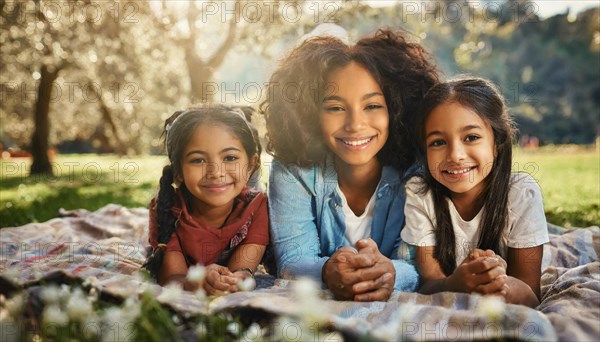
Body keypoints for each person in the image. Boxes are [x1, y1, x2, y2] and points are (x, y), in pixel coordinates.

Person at [261, 29, 439, 302]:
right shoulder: (292, 168)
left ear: (397, 109)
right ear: (310, 113)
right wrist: (327, 272)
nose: (355, 125)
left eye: (372, 106)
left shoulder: (418, 170)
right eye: (335, 108)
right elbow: (292, 259)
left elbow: (421, 264)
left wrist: (391, 272)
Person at [400, 78, 549, 307]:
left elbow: (531, 295)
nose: (455, 155)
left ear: (497, 143)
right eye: (438, 142)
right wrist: (453, 284)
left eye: (471, 137)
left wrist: (497, 281)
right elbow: (429, 284)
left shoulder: (521, 193)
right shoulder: (420, 194)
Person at [142, 104, 268, 295]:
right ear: (178, 173)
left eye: (230, 157)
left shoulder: (257, 207)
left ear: (251, 165)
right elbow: (172, 279)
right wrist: (195, 283)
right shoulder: (167, 211)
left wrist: (236, 280)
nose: (216, 172)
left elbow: (242, 270)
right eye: (198, 160)